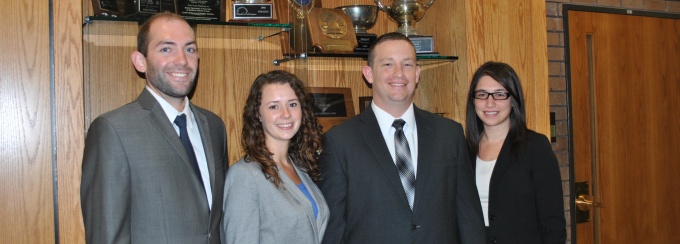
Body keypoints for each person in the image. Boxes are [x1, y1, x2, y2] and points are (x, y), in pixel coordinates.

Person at [316, 32, 486, 243]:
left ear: (417, 74)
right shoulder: (339, 142)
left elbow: (469, 217)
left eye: (407, 65)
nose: (399, 73)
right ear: (369, 73)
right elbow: (333, 228)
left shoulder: (449, 134)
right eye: (388, 64)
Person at [80, 12, 227, 244]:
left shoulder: (214, 126)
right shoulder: (113, 130)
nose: (182, 60)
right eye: (166, 49)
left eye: (190, 49)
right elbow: (106, 236)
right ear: (140, 61)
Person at [221, 70, 329, 244]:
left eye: (292, 104)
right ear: (258, 114)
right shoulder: (244, 175)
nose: (286, 114)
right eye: (274, 106)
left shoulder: (300, 167)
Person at [465, 61, 566, 243]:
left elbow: (553, 222)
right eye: (482, 94)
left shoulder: (535, 147)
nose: (490, 103)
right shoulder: (464, 151)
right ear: (473, 101)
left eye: (500, 94)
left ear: (513, 100)